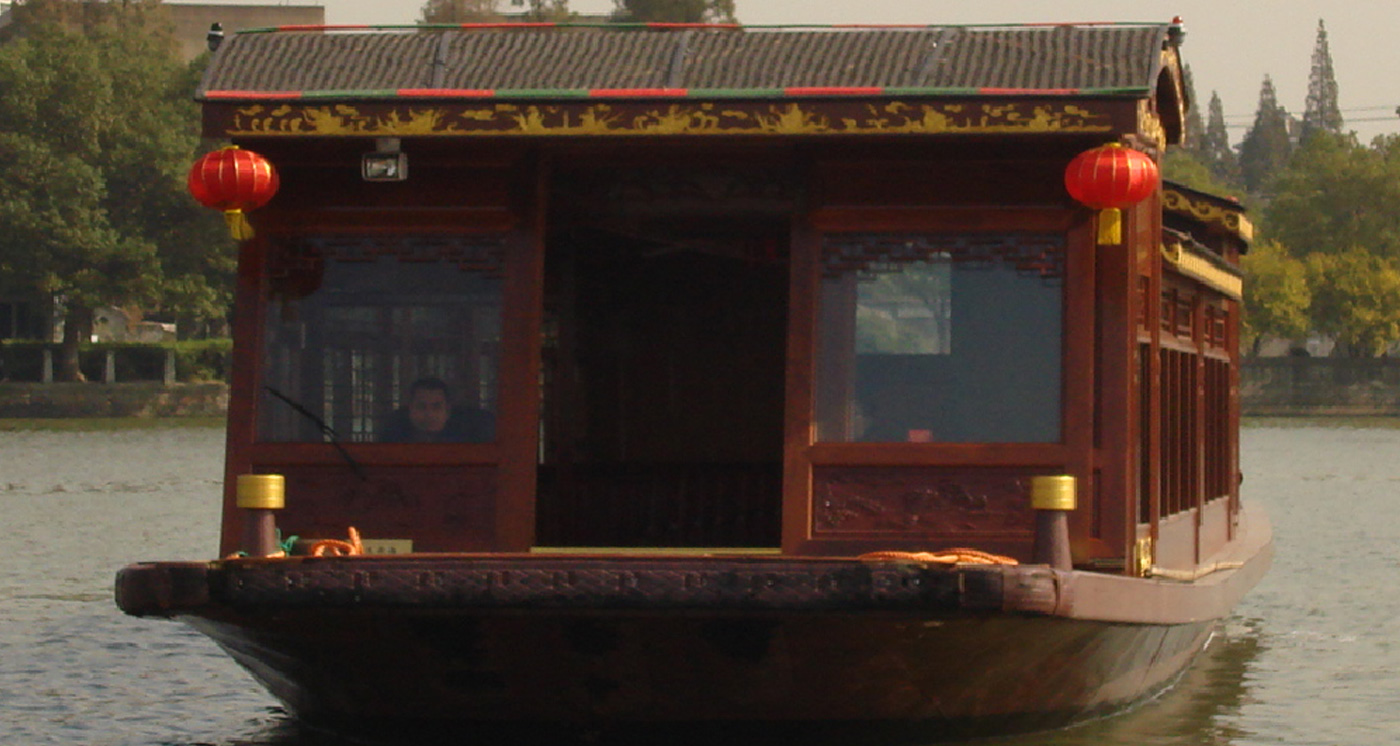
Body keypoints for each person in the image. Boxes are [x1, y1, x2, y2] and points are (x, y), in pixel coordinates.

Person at [379, 377, 493, 443]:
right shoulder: (394, 435)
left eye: (436, 407)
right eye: (421, 407)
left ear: (447, 411)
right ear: (410, 409)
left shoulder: (467, 437)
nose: (429, 414)